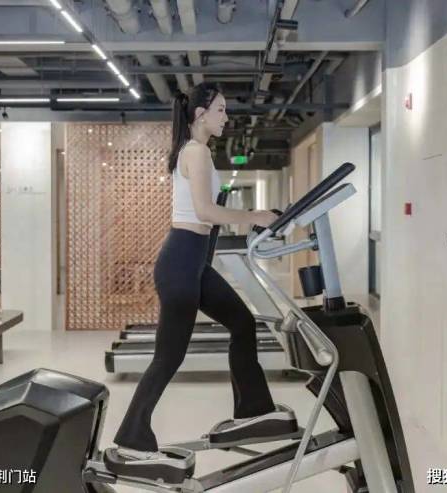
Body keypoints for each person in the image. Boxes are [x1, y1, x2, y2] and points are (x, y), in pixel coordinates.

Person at [112, 82, 285, 465]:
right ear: (200, 113)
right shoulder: (197, 152)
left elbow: (205, 217)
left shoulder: (192, 151)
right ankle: (131, 436)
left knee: (242, 322)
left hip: (192, 262)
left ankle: (254, 409)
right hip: (180, 263)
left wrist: (248, 220)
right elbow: (206, 212)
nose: (227, 117)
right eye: (221, 109)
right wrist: (255, 216)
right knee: (168, 357)